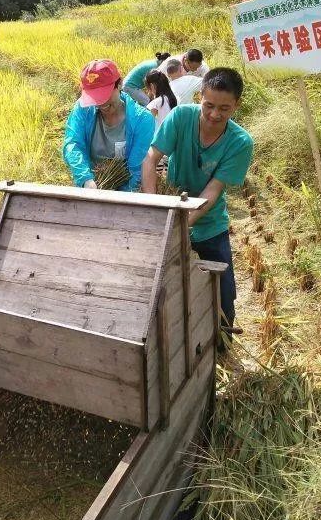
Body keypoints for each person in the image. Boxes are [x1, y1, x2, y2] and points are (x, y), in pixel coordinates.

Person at [141, 67, 253, 334]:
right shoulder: (181, 117)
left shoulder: (240, 142)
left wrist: (181, 224)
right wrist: (155, 206)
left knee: (222, 295)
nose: (215, 114)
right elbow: (151, 158)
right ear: (199, 96)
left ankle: (223, 344)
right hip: (170, 216)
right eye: (209, 105)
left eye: (224, 109)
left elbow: (212, 191)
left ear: (236, 105)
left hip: (209, 225)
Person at [63, 59, 155, 191]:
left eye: (104, 96)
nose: (100, 103)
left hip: (125, 186)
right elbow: (73, 144)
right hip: (92, 183)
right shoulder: (83, 109)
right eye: (95, 97)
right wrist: (86, 179)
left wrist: (118, 197)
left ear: (119, 84)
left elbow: (136, 168)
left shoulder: (142, 120)